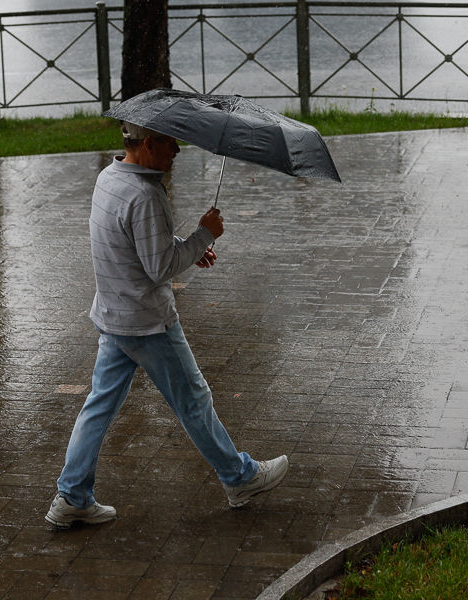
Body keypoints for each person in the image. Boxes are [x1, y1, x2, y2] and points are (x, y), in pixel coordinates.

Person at [45, 121, 289, 528]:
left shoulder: (110, 177)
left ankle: (72, 496)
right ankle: (239, 477)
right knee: (194, 400)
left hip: (113, 314)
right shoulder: (147, 193)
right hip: (147, 322)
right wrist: (203, 236)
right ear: (150, 144)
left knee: (99, 406)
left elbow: (138, 246)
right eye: (171, 142)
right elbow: (158, 267)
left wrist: (190, 248)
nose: (177, 150)